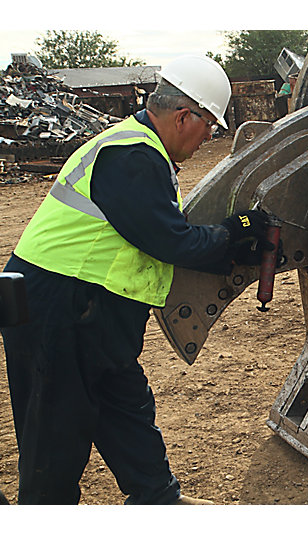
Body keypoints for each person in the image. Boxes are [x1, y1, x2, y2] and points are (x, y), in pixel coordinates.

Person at [0, 55, 273, 505]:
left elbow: (160, 237)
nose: (210, 137)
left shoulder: (141, 152)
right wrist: (235, 233)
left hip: (93, 315)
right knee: (56, 436)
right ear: (185, 115)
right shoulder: (131, 154)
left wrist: (229, 241)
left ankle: (156, 500)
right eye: (210, 126)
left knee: (126, 411)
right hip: (60, 311)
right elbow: (170, 241)